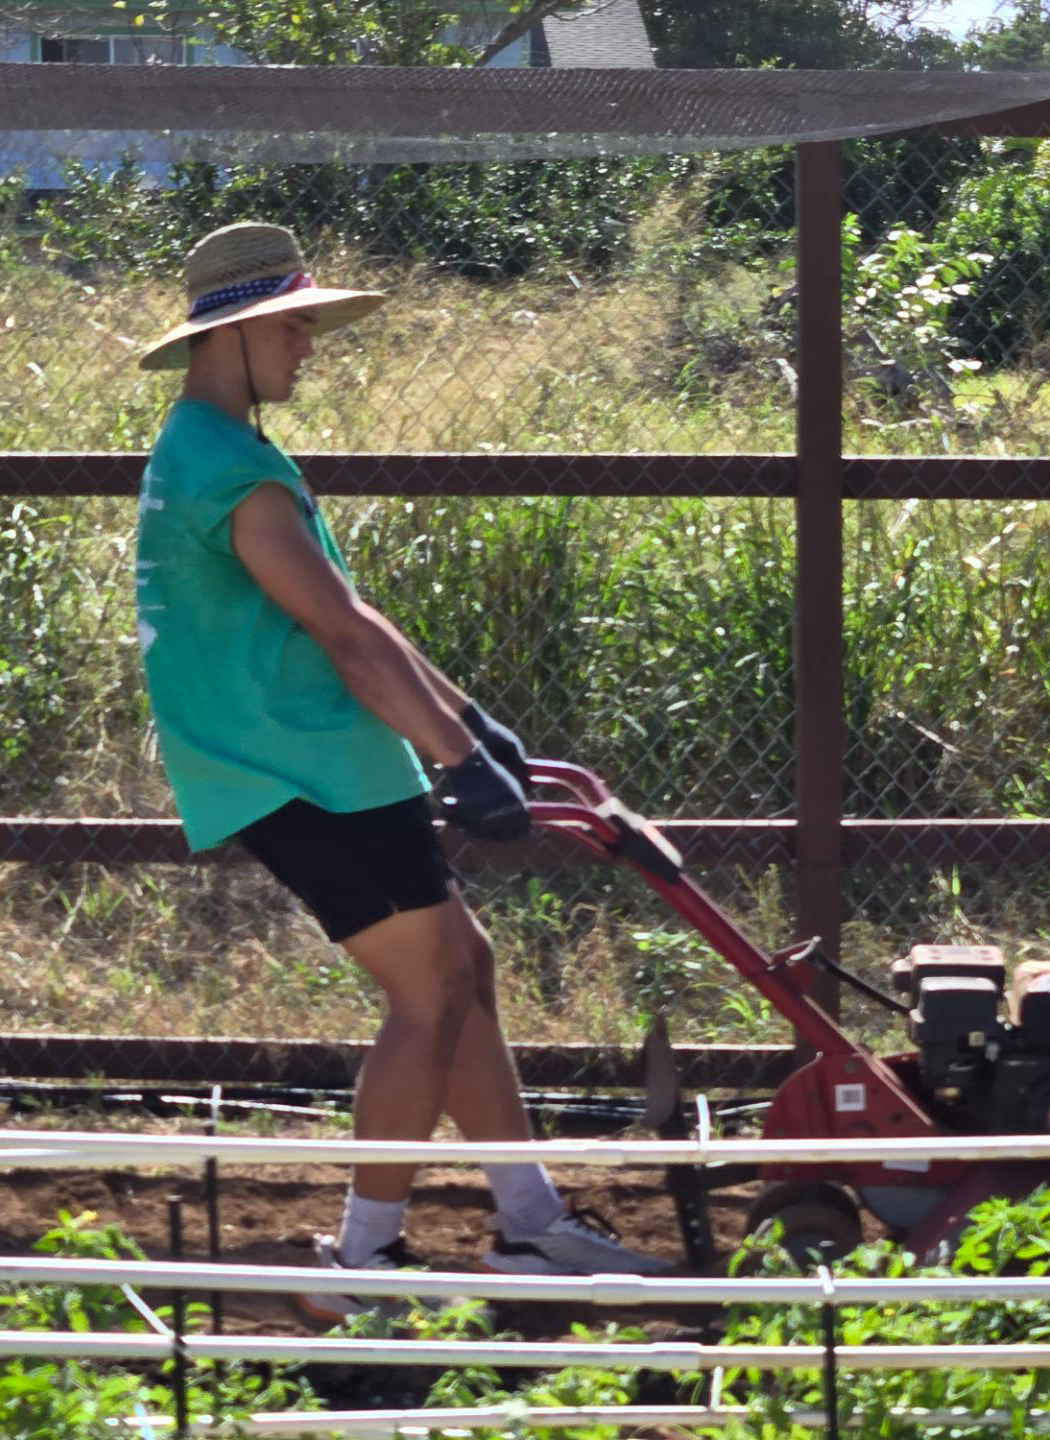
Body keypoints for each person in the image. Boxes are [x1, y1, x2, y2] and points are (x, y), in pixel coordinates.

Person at [133, 222, 665, 1319]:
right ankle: (362, 1261)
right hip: (296, 767)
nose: (310, 346)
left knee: (463, 966)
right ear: (233, 335)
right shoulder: (227, 469)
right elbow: (340, 634)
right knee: (427, 993)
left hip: (319, 758)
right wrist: (457, 758)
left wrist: (474, 724)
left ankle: (528, 1226)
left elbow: (357, 615)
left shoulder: (224, 451)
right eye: (295, 326)